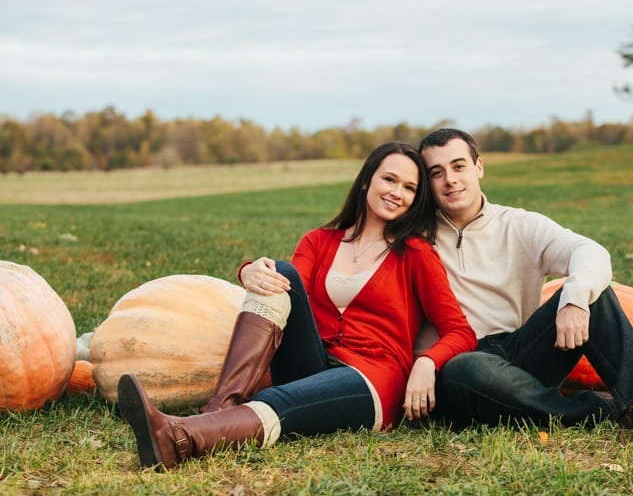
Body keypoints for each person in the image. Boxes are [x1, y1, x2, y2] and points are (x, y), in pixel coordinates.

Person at [117, 141, 478, 469]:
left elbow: (460, 331)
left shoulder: (415, 254)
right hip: (313, 361)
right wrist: (249, 270)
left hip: (373, 377)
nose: (397, 193)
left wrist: (427, 362)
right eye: (390, 179)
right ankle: (220, 409)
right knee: (281, 272)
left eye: (410, 188)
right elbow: (285, 289)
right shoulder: (319, 241)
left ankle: (180, 440)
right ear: (367, 181)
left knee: (278, 397)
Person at [415, 128, 633, 447]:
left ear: (478, 167)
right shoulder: (413, 235)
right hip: (456, 363)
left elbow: (589, 252)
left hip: (519, 353)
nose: (450, 180)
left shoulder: (518, 225)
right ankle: (600, 410)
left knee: (596, 295)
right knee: (466, 369)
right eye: (436, 173)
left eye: (459, 166)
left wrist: (574, 300)